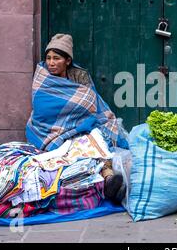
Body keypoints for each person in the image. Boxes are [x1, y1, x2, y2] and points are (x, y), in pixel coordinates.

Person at [26, 33, 125, 203]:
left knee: (96, 141)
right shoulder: (42, 78)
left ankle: (108, 180)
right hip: (49, 132)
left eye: (56, 58)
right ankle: (104, 184)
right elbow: (43, 110)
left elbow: (90, 104)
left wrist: (80, 127)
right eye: (48, 58)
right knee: (74, 152)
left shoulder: (79, 77)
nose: (51, 62)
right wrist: (73, 129)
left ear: (67, 61)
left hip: (80, 128)